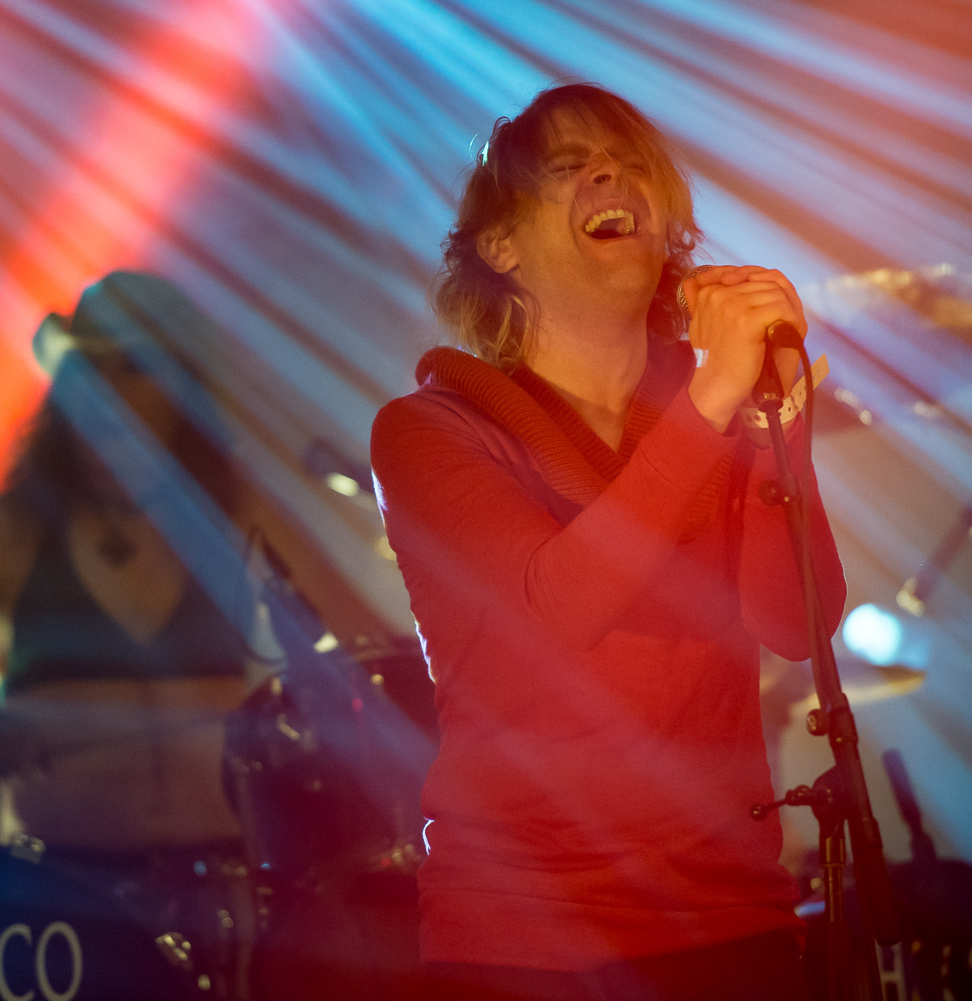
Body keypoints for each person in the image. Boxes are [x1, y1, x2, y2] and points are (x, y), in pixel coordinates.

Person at [370, 83, 847, 1001]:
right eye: (568, 167)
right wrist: (714, 403)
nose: (610, 173)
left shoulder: (712, 408)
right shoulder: (432, 430)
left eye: (631, 164)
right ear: (499, 246)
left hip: (734, 921)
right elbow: (562, 605)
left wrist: (774, 423)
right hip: (527, 940)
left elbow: (797, 623)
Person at [0, 297, 277, 860]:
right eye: (89, 369)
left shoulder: (241, 529)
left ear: (185, 394)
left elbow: (354, 679)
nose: (107, 391)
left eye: (134, 368)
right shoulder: (6, 535)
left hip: (235, 892)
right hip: (59, 909)